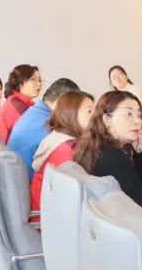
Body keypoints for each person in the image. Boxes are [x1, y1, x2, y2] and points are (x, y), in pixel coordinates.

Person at [30, 91, 94, 221]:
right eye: (89, 111)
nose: (95, 116)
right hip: (51, 223)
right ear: (72, 113)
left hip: (48, 217)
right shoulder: (67, 150)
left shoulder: (58, 137)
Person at [7, 78, 80, 178]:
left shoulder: (34, 113)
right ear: (62, 100)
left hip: (17, 176)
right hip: (30, 181)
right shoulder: (47, 125)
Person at [0, 64, 43, 143]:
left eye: (40, 80)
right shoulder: (16, 104)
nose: (39, 84)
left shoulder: (16, 101)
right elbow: (36, 131)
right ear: (20, 83)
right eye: (33, 79)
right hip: (7, 150)